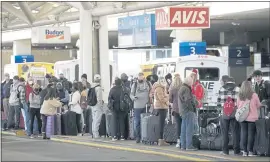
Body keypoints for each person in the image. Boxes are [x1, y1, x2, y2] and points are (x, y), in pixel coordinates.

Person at [237, 80, 261, 157]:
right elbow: (258, 105)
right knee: (251, 135)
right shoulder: (254, 95)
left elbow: (237, 106)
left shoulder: (240, 95)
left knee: (243, 134)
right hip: (252, 118)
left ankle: (244, 152)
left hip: (242, 117)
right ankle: (250, 152)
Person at [217, 77, 241, 156]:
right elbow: (239, 102)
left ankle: (225, 151)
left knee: (225, 132)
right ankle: (236, 151)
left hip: (224, 114)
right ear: (233, 81)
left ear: (226, 81)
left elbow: (219, 102)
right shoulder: (238, 89)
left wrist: (220, 111)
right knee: (235, 132)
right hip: (235, 113)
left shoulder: (222, 89)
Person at [130, 72, 152, 143]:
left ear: (143, 77)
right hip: (137, 106)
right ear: (138, 77)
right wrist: (133, 97)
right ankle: (138, 137)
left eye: (141, 77)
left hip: (146, 106)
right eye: (139, 77)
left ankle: (146, 136)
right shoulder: (135, 84)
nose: (140, 78)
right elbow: (131, 94)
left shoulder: (148, 83)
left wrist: (151, 96)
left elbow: (152, 91)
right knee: (137, 122)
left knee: (146, 122)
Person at [178, 76, 198, 151]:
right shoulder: (186, 89)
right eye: (192, 81)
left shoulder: (181, 88)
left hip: (182, 111)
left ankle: (183, 145)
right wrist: (192, 108)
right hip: (188, 111)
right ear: (189, 82)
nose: (192, 83)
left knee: (183, 129)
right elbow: (188, 100)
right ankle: (189, 146)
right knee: (189, 129)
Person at [153, 76, 170, 146]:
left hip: (162, 107)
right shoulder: (159, 88)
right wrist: (167, 98)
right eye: (162, 80)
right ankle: (160, 140)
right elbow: (162, 99)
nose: (164, 82)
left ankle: (161, 140)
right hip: (161, 108)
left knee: (162, 124)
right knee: (161, 124)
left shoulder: (162, 88)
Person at [169, 73, 183, 148]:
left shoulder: (172, 87)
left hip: (175, 109)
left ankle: (178, 141)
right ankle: (184, 140)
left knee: (178, 125)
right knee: (184, 125)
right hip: (183, 109)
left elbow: (170, 99)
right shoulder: (183, 86)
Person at [91, 74, 104, 138]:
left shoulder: (92, 87)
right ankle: (96, 134)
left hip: (92, 105)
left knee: (94, 120)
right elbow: (99, 99)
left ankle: (93, 133)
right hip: (97, 106)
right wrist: (101, 106)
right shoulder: (99, 88)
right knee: (97, 120)